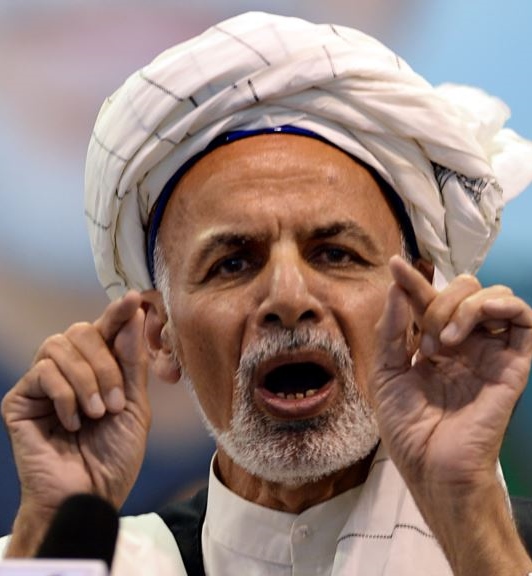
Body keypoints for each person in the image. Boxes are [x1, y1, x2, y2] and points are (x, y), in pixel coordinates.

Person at [2, 11, 532, 576]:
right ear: (160, 336)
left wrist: (466, 506)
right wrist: (57, 524)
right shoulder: (96, 563)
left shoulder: (505, 552)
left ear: (418, 310)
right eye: (232, 263)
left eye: (335, 254)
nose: (288, 297)